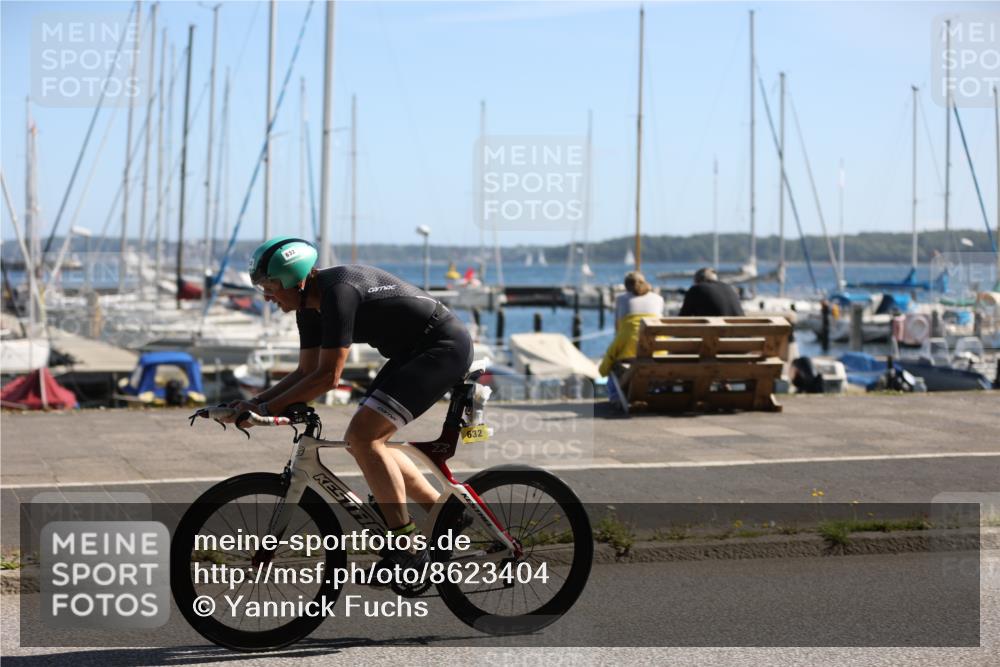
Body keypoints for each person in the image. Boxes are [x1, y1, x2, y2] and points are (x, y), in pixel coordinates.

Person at [231, 237, 473, 577]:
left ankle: (407, 547)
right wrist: (255, 403)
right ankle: (445, 513)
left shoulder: (337, 293)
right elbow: (305, 372)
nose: (267, 297)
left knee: (363, 437)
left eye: (270, 288)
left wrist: (265, 408)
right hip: (413, 352)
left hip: (442, 347)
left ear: (296, 281)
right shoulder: (308, 308)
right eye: (262, 289)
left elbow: (328, 377)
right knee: (366, 440)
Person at [600, 272, 664, 404]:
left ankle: (616, 397)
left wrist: (603, 369)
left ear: (626, 286)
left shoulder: (622, 299)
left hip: (630, 355)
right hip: (657, 353)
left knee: (613, 364)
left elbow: (618, 329)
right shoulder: (658, 299)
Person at [678, 267, 745, 316]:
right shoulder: (729, 288)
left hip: (717, 333)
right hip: (741, 333)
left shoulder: (696, 289)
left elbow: (683, 317)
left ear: (697, 280)